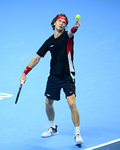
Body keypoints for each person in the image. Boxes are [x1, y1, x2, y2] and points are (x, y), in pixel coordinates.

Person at [19, 13, 84, 145]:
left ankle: (77, 134)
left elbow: (72, 32)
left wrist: (75, 27)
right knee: (48, 103)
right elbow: (37, 58)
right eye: (59, 21)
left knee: (72, 104)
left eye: (64, 22)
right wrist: (25, 72)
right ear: (54, 23)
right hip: (53, 76)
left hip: (67, 76)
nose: (61, 23)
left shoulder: (68, 36)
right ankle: (53, 127)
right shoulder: (49, 41)